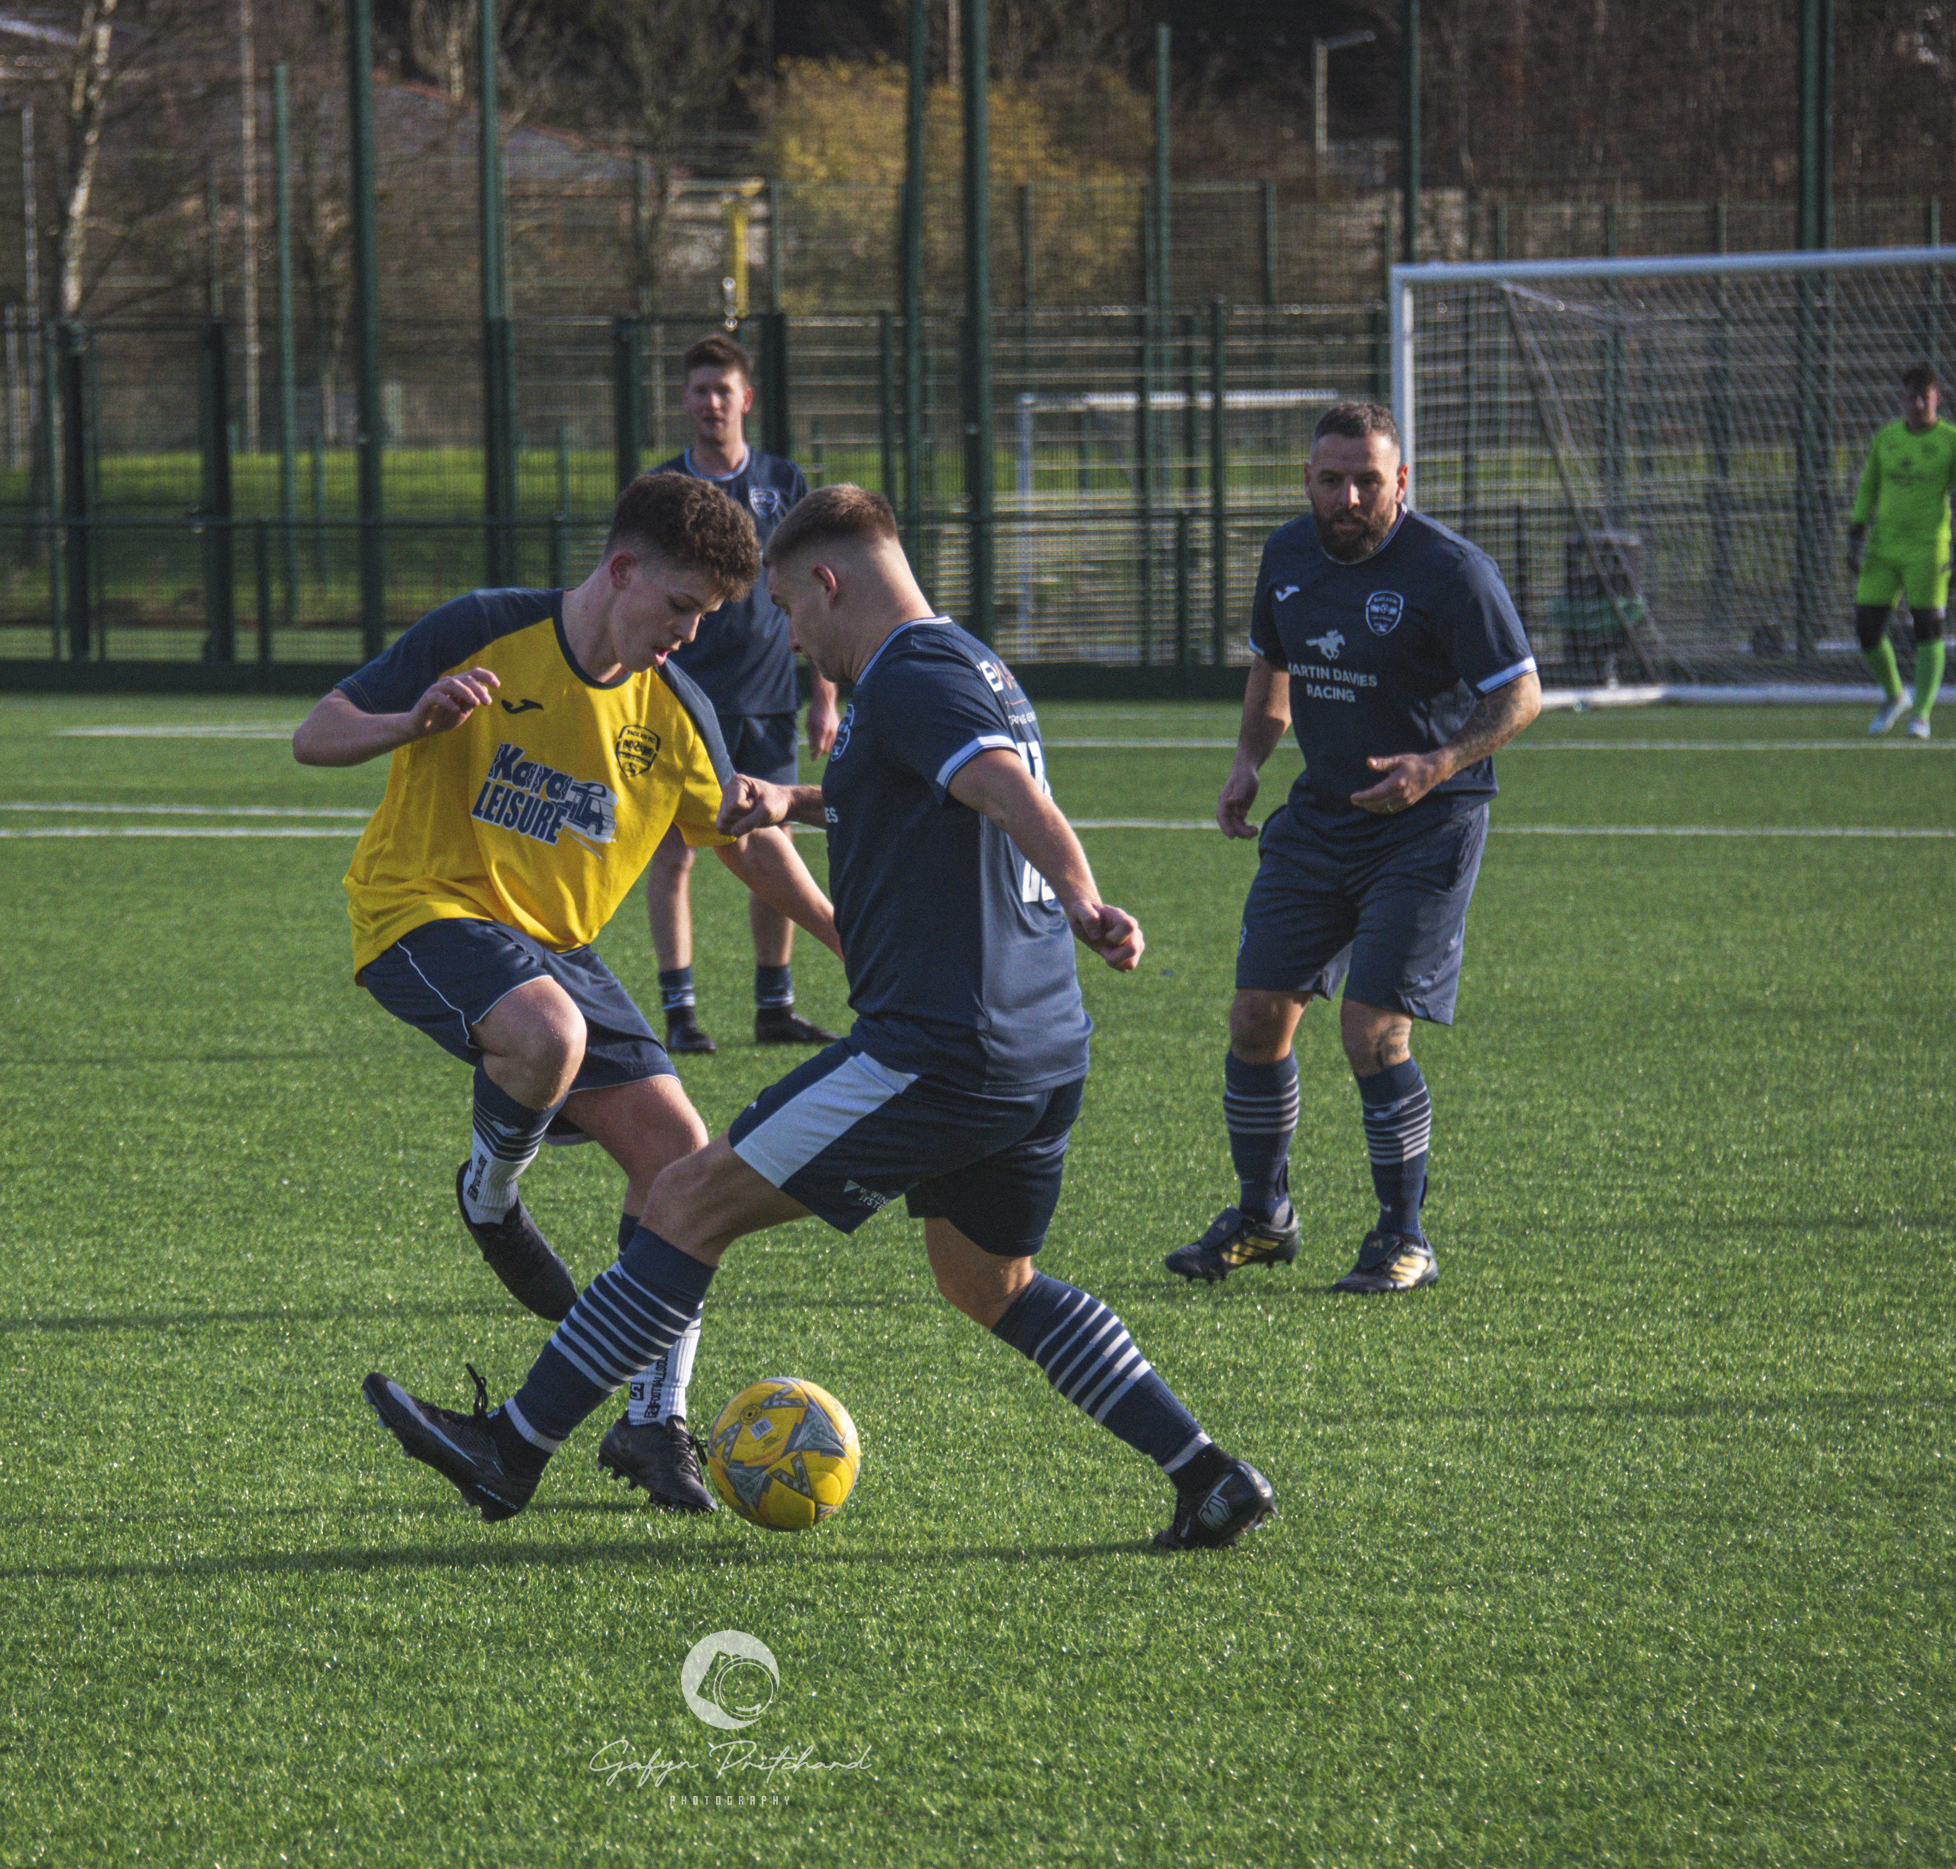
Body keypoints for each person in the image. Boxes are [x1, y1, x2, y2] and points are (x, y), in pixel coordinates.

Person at [362, 484, 1278, 1553]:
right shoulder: (972, 663)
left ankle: (509, 1451)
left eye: (791, 611)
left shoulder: (908, 675)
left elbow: (997, 790)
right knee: (989, 1284)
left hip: (936, 1053)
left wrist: (1081, 895)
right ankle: (1204, 1472)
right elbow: (917, 789)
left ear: (830, 583)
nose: (791, 638)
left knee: (683, 1198)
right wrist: (789, 801)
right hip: (1039, 1049)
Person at [292, 472, 840, 1513]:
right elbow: (314, 734)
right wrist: (411, 720)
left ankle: (653, 1422)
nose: (688, 635)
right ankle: (491, 1196)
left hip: (556, 947)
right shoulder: (486, 630)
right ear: (621, 569)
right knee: (544, 1033)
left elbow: (742, 831)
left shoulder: (675, 706)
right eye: (680, 607)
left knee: (687, 1169)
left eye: (707, 618)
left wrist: (840, 938)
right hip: (423, 910)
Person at [1169, 401, 1540, 1297]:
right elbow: (1273, 666)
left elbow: (1520, 693)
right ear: (1308, 481)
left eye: (1368, 480)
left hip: (1425, 827)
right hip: (1320, 819)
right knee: (1258, 1018)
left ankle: (1404, 1238)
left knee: (1370, 1030)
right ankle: (1264, 1218)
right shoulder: (1289, 554)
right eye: (1331, 479)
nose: (1348, 496)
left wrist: (1439, 762)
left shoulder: (1453, 572)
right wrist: (1247, 761)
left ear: (1400, 482)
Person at [643, 333, 841, 1055]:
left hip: (766, 700)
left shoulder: (783, 482)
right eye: (698, 389)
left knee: (772, 839)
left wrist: (824, 694)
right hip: (682, 700)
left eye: (722, 389)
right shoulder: (664, 490)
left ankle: (773, 1004)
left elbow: (818, 591)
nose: (710, 402)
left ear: (746, 400)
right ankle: (680, 1010)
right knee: (674, 852)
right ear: (685, 399)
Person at [1848, 363, 1956, 741]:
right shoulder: (1886, 438)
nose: (1918, 404)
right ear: (1902, 399)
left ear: (1937, 397)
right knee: (1866, 628)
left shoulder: (1954, 441)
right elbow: (1868, 486)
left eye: (1925, 396)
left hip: (1928, 550)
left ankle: (1921, 714)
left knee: (1928, 629)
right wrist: (1856, 531)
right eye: (1910, 396)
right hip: (1884, 548)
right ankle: (1894, 696)